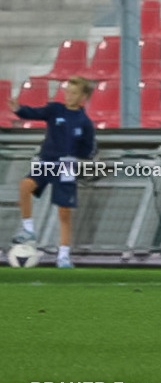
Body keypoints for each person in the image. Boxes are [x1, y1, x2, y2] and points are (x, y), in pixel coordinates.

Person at [8, 76, 96, 269]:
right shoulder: (55, 109)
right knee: (25, 186)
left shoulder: (84, 122)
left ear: (83, 96)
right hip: (46, 161)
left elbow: (88, 149)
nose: (68, 95)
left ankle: (63, 255)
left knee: (64, 212)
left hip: (66, 165)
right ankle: (28, 229)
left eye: (73, 93)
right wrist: (19, 109)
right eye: (67, 91)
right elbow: (35, 113)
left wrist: (80, 157)